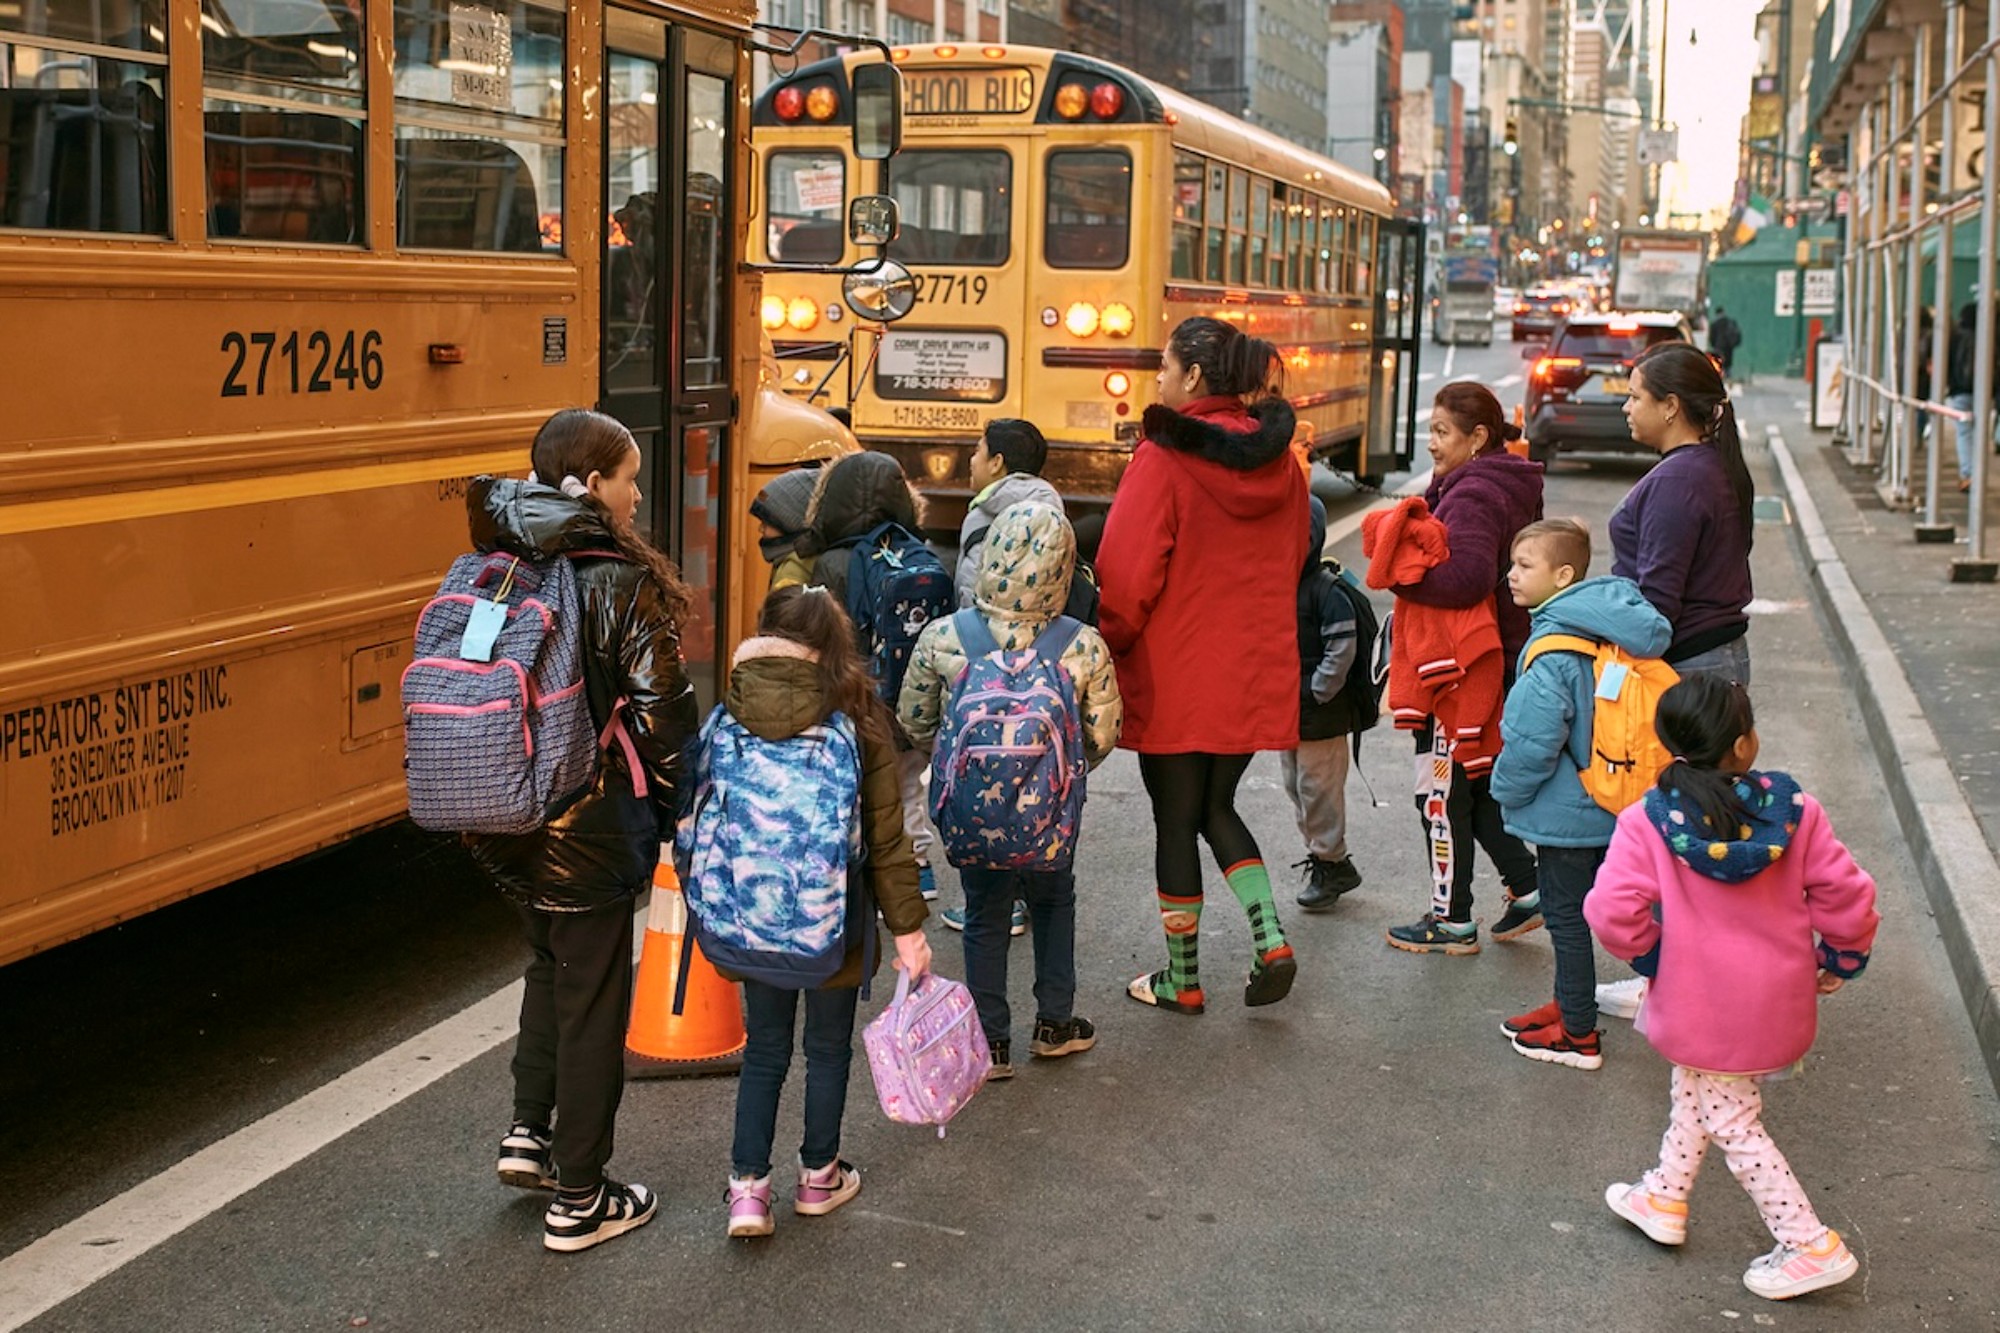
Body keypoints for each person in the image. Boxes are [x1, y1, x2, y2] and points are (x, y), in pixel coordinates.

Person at [472, 408, 699, 1253]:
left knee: (548, 965)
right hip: (587, 825)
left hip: (502, 808)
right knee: (595, 996)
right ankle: (581, 1195)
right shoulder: (616, 580)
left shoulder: (492, 563)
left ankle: (529, 1134)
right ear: (592, 485)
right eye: (629, 478)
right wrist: (685, 816)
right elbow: (664, 717)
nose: (638, 495)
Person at [1586, 676, 1878, 1301]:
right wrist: (1840, 958)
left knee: (1732, 1119)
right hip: (1775, 1001)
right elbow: (1847, 898)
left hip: (1696, 1002)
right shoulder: (1794, 815)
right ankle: (1665, 1193)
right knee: (1702, 1088)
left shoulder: (1648, 821)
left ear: (1668, 745)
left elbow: (1612, 910)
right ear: (1744, 744)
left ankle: (1808, 1241)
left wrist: (1654, 956)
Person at [1097, 315, 1309, 1014]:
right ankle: (1270, 935)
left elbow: (1127, 578)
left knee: (1174, 817)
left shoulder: (1162, 458)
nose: (1157, 379)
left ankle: (1182, 977)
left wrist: (1112, 640)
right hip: (1253, 667)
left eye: (1163, 366)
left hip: (1176, 667)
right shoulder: (1284, 461)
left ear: (1191, 376)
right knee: (1216, 804)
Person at [719, 585, 932, 1239]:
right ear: (833, 643)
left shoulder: (735, 705)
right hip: (835, 918)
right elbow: (887, 838)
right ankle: (819, 1176)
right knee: (827, 1049)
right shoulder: (857, 716)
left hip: (755, 913)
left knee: (765, 1052)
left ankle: (749, 1191)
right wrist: (910, 931)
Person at [899, 501, 1123, 1077]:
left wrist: (958, 763)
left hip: (974, 809)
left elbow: (915, 721)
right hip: (1049, 815)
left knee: (983, 914)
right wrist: (1060, 775)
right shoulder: (1082, 644)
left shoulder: (946, 637)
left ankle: (989, 1043)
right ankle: (1053, 1024)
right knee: (1053, 901)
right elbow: (1102, 735)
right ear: (1065, 568)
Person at [1489, 519, 1669, 1070]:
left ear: (1563, 575)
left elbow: (1531, 741)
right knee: (1628, 910)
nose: (1510, 575)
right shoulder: (1614, 624)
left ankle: (1578, 1034)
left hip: (1569, 814)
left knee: (1567, 917)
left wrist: (1504, 792)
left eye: (1524, 566)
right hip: (1623, 799)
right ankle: (1578, 1000)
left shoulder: (1553, 649)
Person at [1381, 382, 1543, 956]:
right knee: (1473, 781)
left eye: (1442, 432)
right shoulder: (1502, 478)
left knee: (1440, 790)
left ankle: (1451, 919)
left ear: (1478, 437)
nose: (1431, 443)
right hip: (1491, 654)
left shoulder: (1474, 492)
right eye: (1430, 430)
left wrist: (1399, 574)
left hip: (1457, 665)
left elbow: (1468, 576)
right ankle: (1527, 888)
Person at [799, 451, 942, 900]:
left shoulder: (834, 562)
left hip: (857, 699)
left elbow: (825, 637)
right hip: (911, 701)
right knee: (906, 786)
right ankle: (917, 867)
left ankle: (862, 873)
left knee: (861, 790)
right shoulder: (917, 553)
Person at [1612, 341, 1754, 686]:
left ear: (1670, 406)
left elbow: (1657, 605)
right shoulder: (1710, 464)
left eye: (1635, 397)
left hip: (1685, 669)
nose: (1625, 408)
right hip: (1715, 658)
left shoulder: (1677, 482)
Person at [1287, 496, 1367, 909]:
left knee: (1318, 789)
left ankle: (1330, 862)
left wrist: (1318, 691)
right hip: (1290, 710)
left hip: (1322, 711)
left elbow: (1342, 647)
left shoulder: (1325, 589)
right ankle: (1326, 857)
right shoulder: (1280, 584)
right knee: (1296, 787)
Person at [750, 466, 821, 592]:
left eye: (767, 522)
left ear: (790, 524)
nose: (761, 529)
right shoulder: (811, 559)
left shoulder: (791, 573)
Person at [1708, 305, 1742, 376]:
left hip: (1718, 348)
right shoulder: (1730, 322)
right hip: (1728, 348)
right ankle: (1728, 379)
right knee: (1728, 367)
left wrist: (1714, 345)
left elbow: (1711, 338)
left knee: (1718, 366)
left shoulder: (1714, 324)